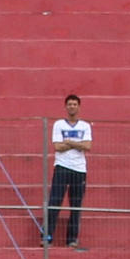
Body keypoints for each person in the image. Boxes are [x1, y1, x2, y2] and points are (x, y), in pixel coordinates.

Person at [43, 93, 90, 249]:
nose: (72, 107)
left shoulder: (85, 126)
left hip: (79, 169)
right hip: (62, 167)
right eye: (69, 104)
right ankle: (47, 236)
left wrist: (68, 142)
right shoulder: (58, 125)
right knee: (54, 202)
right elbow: (57, 147)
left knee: (76, 205)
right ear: (65, 106)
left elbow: (88, 146)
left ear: (79, 107)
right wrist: (77, 144)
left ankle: (72, 239)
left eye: (75, 104)